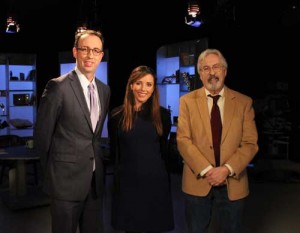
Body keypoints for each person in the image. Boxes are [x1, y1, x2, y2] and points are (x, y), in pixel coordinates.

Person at [35, 29, 110, 233]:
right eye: (84, 49)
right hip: (64, 185)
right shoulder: (57, 87)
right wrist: (54, 176)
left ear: (101, 55)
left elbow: (93, 136)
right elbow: (42, 136)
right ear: (75, 52)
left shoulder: (104, 90)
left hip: (94, 183)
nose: (90, 55)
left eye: (95, 50)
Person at [176, 48, 259, 233]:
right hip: (197, 182)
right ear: (199, 73)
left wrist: (226, 170)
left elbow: (250, 143)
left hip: (233, 183)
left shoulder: (244, 102)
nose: (212, 72)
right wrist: (207, 170)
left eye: (216, 67)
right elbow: (183, 140)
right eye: (205, 68)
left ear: (225, 71)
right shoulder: (187, 102)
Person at [108, 65, 174, 233]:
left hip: (155, 184)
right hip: (128, 186)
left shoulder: (163, 115)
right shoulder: (117, 115)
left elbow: (162, 150)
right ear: (131, 86)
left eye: (148, 84)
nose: (143, 89)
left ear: (153, 89)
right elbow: (115, 153)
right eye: (139, 83)